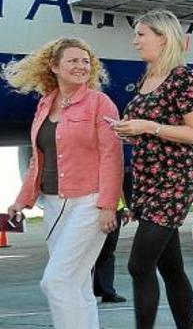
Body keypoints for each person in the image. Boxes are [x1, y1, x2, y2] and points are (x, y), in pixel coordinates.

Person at [3, 38, 123, 329]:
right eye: (73, 61)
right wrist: (21, 200)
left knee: (57, 280)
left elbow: (112, 157)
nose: (81, 66)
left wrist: (108, 205)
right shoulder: (45, 104)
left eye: (86, 61)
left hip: (90, 203)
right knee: (77, 283)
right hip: (54, 205)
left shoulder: (99, 103)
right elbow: (38, 159)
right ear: (54, 66)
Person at [112, 10, 193, 329]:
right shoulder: (147, 77)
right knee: (171, 267)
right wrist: (128, 130)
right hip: (148, 179)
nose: (135, 40)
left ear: (163, 37)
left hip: (174, 179)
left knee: (139, 265)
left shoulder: (183, 77)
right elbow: (148, 127)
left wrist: (150, 127)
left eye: (141, 34)